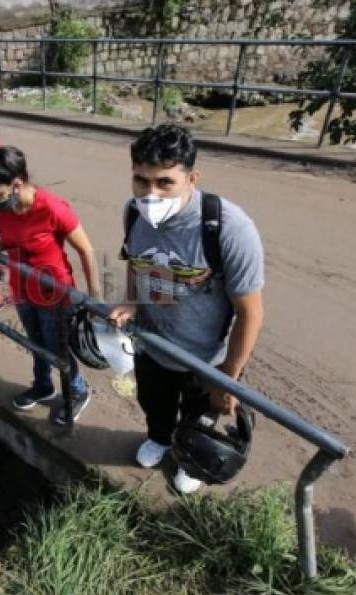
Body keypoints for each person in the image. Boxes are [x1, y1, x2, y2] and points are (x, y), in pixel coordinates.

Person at [108, 124, 265, 494]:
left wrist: (227, 377)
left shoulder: (227, 228)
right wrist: (131, 301)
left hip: (204, 359)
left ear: (192, 178)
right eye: (141, 181)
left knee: (197, 418)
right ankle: (160, 439)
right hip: (151, 343)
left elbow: (251, 312)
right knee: (154, 404)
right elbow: (137, 261)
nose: (150, 194)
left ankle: (187, 457)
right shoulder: (133, 213)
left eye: (165, 183)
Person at [0, 146, 101, 427]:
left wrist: (93, 297)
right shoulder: (6, 210)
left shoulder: (52, 207)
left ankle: (78, 390)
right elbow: (8, 240)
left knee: (57, 347)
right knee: (35, 342)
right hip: (22, 290)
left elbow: (86, 250)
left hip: (55, 295)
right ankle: (43, 386)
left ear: (17, 184)